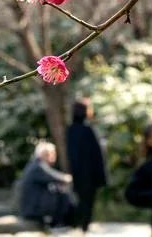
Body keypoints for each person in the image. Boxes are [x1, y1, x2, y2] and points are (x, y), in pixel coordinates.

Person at [66, 98, 107, 233]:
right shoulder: (88, 130)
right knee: (87, 203)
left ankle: (78, 227)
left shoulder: (71, 130)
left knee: (80, 201)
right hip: (90, 175)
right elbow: (97, 156)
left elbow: (72, 156)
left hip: (78, 174)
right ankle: (83, 229)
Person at [19, 141, 75, 228]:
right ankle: (59, 224)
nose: (54, 156)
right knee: (64, 195)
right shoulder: (37, 167)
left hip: (33, 206)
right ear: (44, 154)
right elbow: (57, 177)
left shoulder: (35, 165)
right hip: (34, 208)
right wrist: (71, 178)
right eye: (52, 153)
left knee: (60, 191)